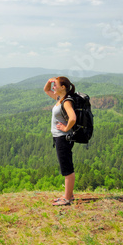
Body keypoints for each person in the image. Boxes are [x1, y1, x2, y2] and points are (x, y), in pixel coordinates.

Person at [44, 76, 77, 206]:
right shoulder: (59, 99)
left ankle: (67, 198)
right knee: (65, 166)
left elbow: (72, 118)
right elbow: (46, 90)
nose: (53, 88)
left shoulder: (66, 102)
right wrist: (49, 81)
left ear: (63, 87)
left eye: (56, 85)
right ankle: (68, 195)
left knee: (67, 167)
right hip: (59, 137)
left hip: (63, 138)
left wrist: (65, 128)